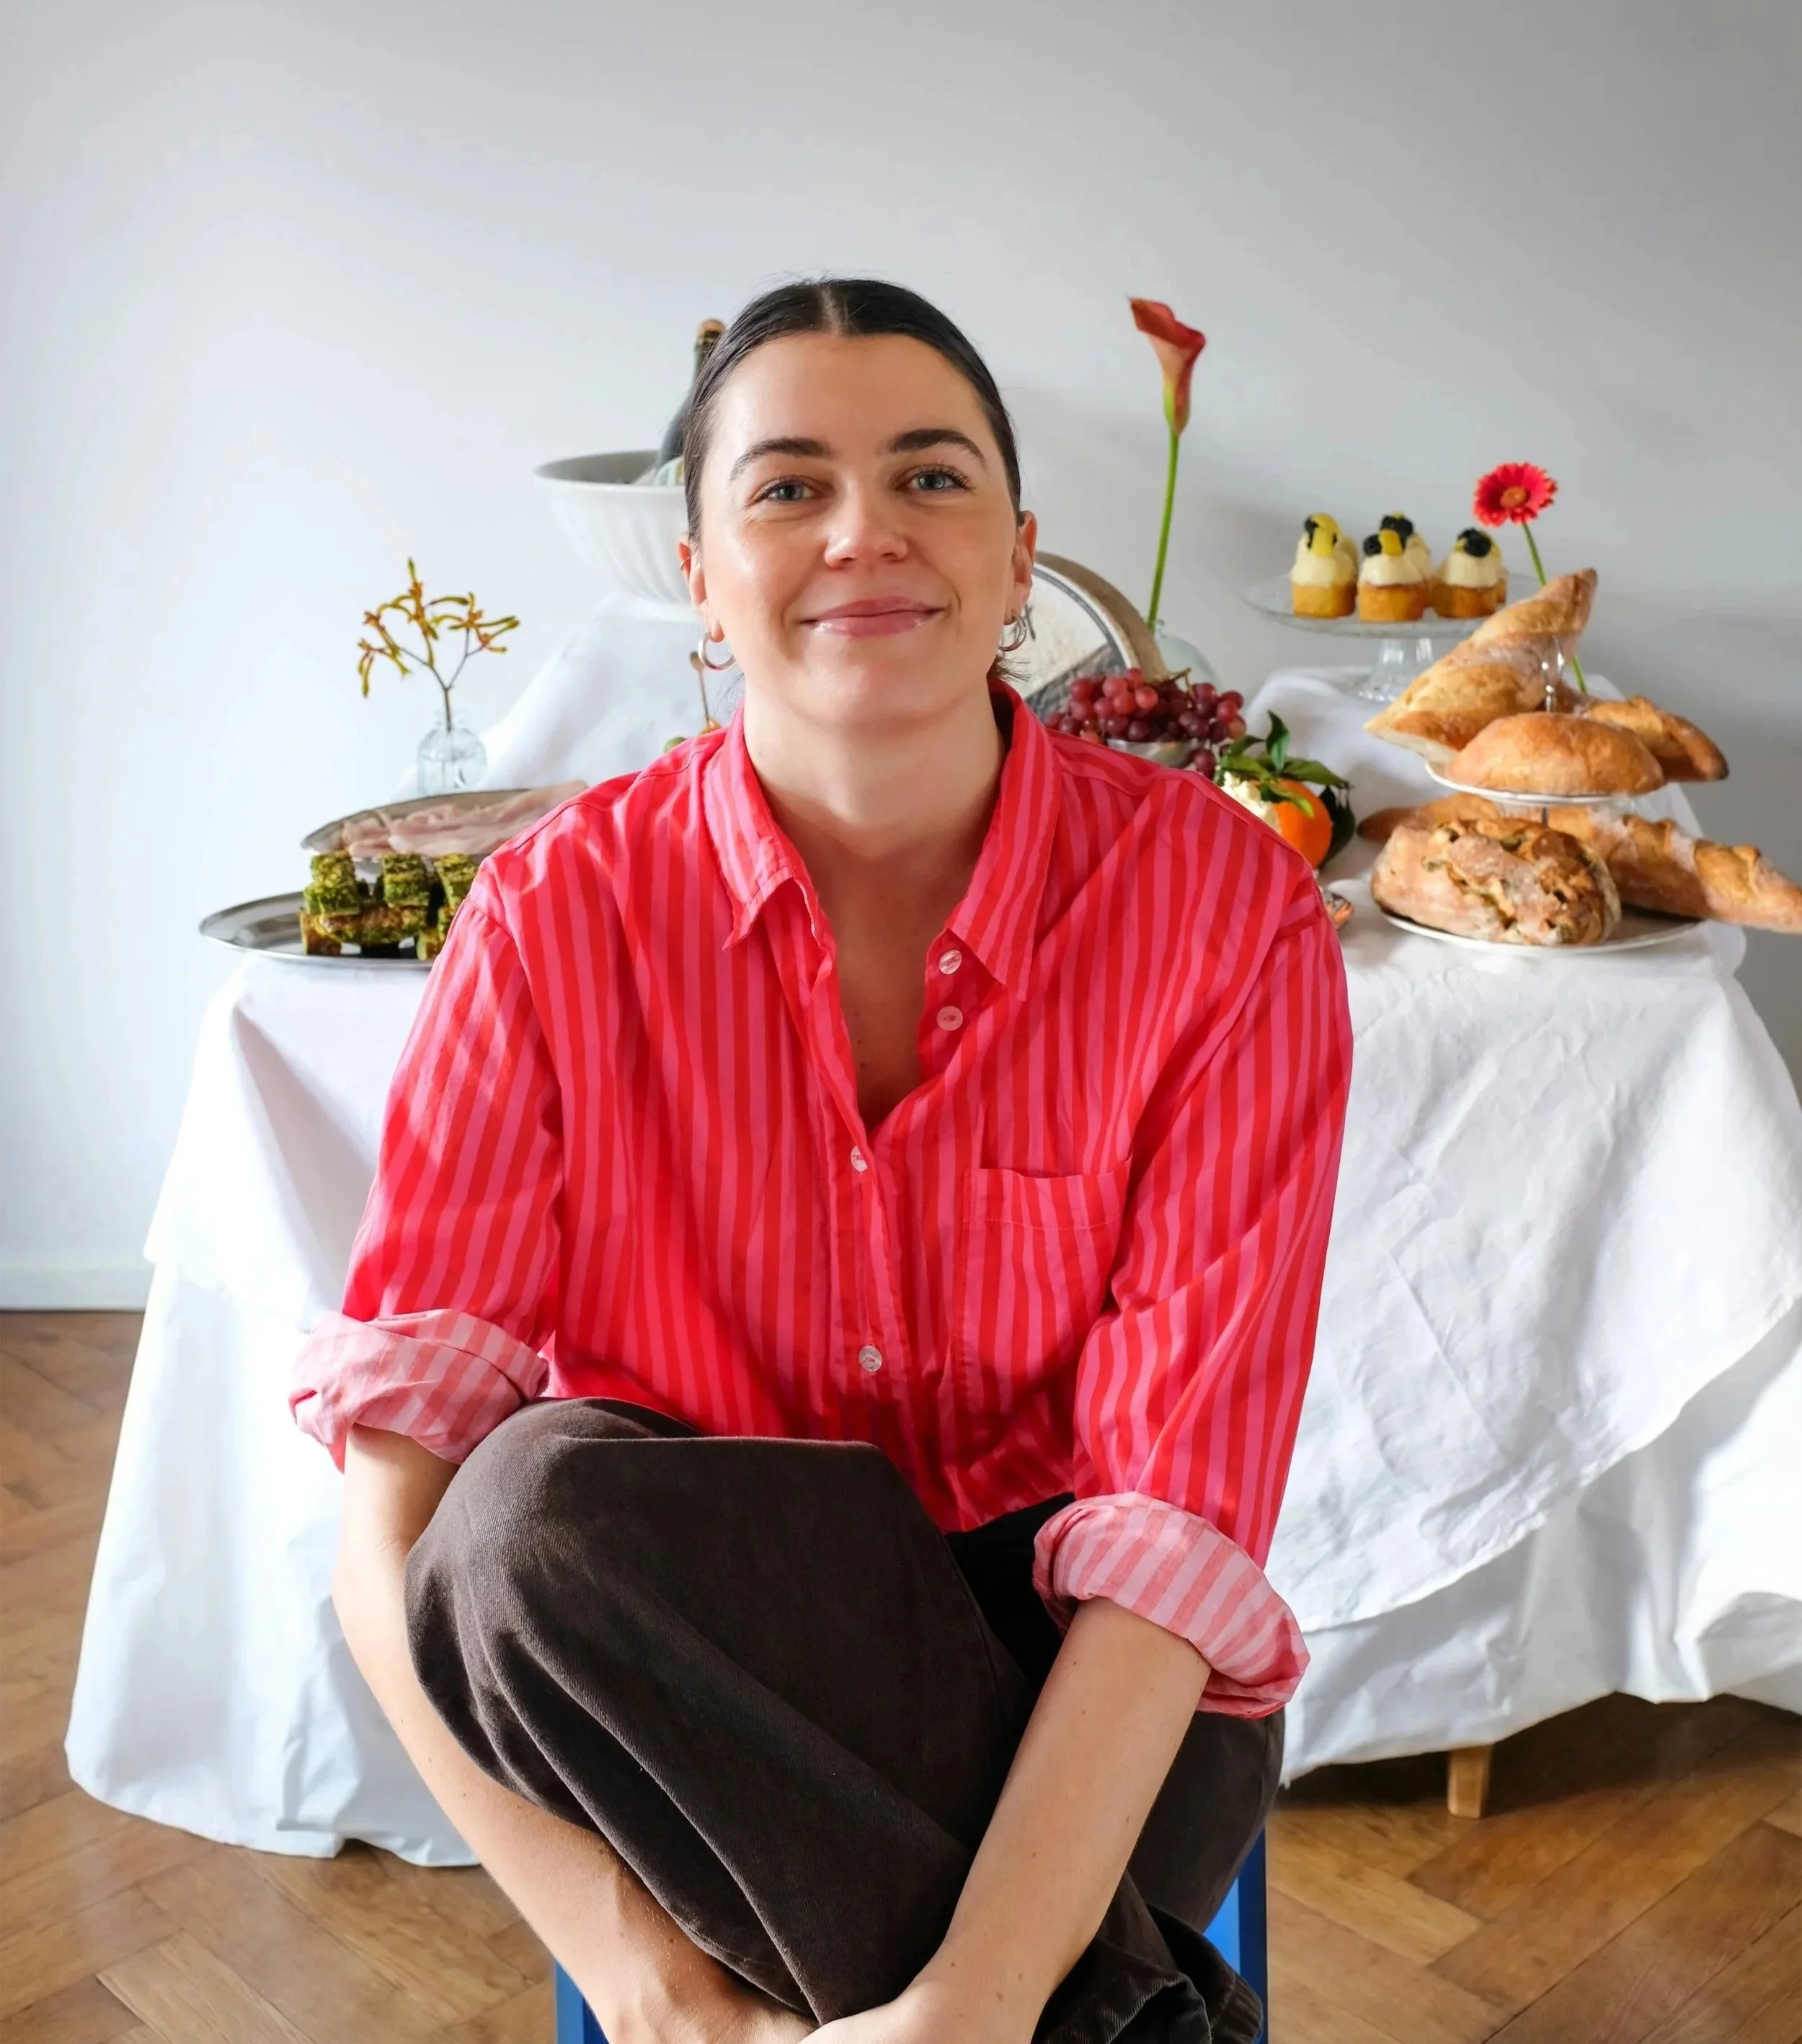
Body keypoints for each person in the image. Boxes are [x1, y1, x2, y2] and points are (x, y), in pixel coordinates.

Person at [290, 277, 1353, 2044]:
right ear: (697, 580)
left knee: (985, 1855)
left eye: (929, 476)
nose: (866, 528)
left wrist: (974, 1998)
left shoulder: (1219, 909)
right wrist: (652, 1990)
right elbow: (385, 1538)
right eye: (785, 486)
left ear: (1018, 561)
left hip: (1086, 1664)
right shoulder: (556, 913)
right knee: (521, 1526)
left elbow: (1170, 1526)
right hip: (700, 1647)